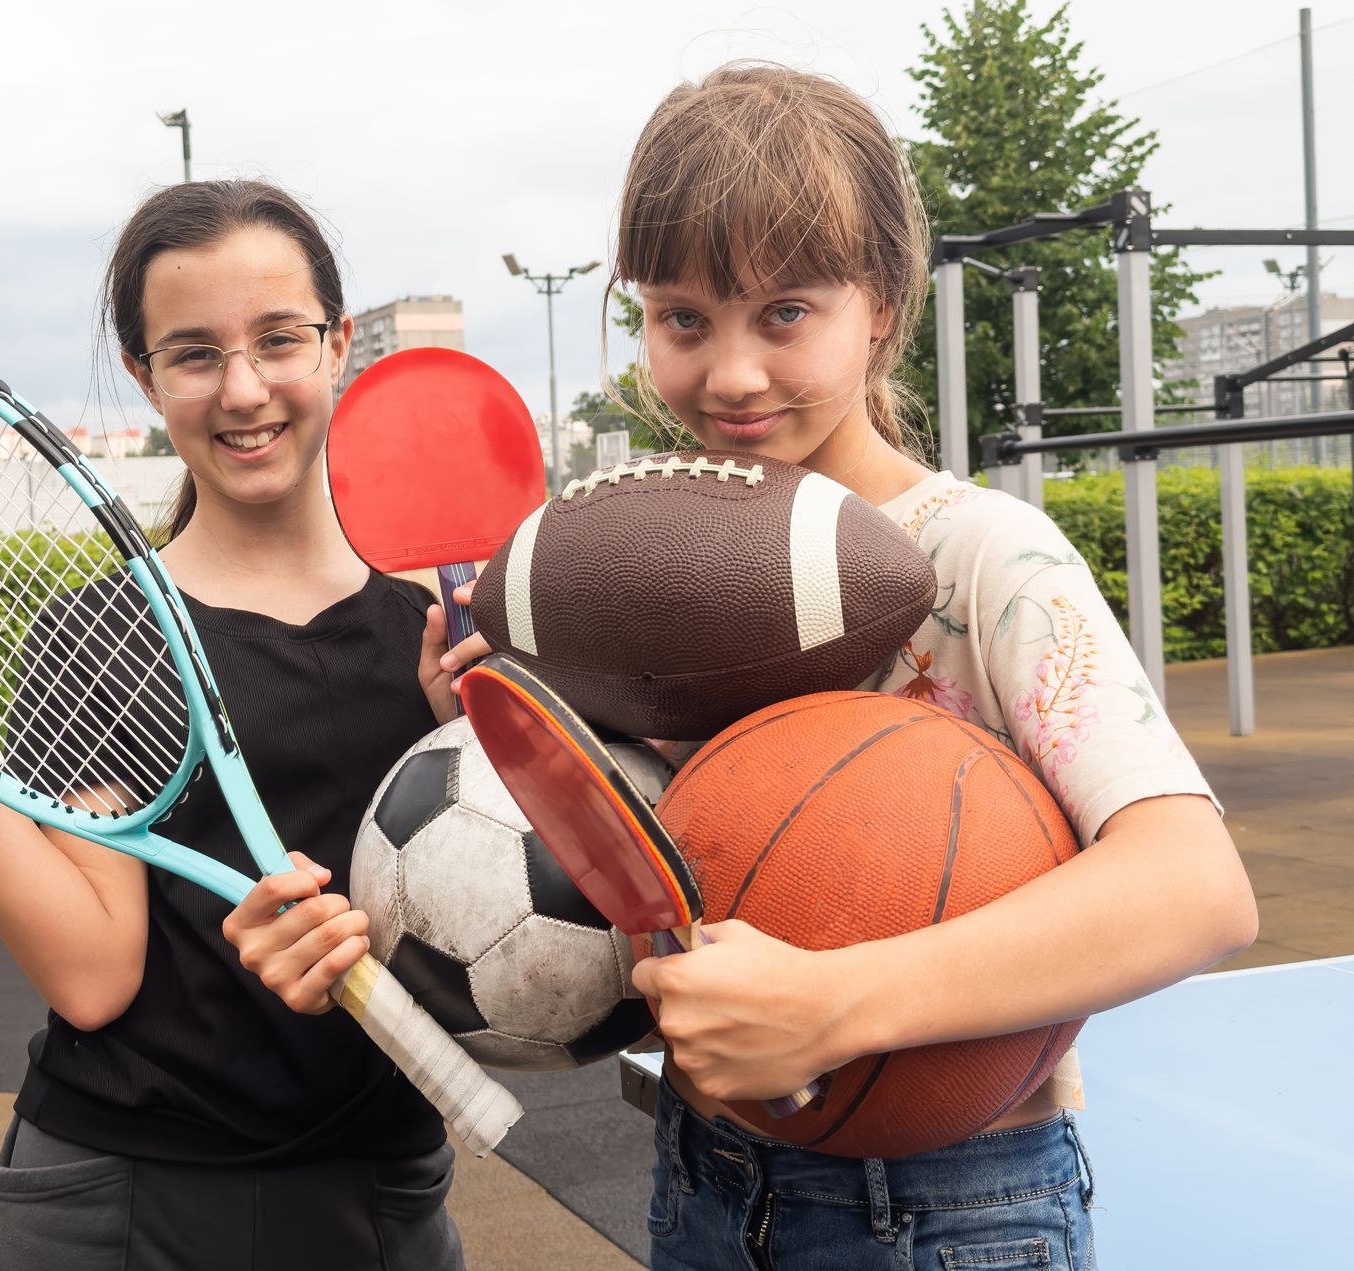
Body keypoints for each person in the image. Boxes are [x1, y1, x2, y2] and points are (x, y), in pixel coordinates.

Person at [444, 64, 1258, 1270]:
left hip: (949, 1200)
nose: (729, 374)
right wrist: (511, 759)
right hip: (703, 1168)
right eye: (683, 318)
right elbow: (679, 868)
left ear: (879, 303)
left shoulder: (984, 557)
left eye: (785, 313)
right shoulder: (643, 589)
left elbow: (1198, 889)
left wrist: (843, 1002)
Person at [0, 180, 468, 1271]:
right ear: (144, 377)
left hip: (391, 1179)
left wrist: (480, 745)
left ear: (340, 343)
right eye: (195, 353)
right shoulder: (103, 634)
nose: (243, 388)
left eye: (279, 340)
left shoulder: (436, 634)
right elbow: (92, 974)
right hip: (138, 1192)